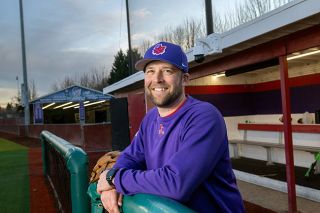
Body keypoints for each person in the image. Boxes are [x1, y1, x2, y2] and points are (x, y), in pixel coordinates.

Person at [97, 41, 245, 213]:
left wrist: (115, 179)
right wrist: (112, 179)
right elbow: (130, 158)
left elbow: (176, 183)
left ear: (185, 78)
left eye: (167, 71)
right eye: (150, 71)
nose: (157, 79)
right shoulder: (151, 118)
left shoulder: (204, 116)